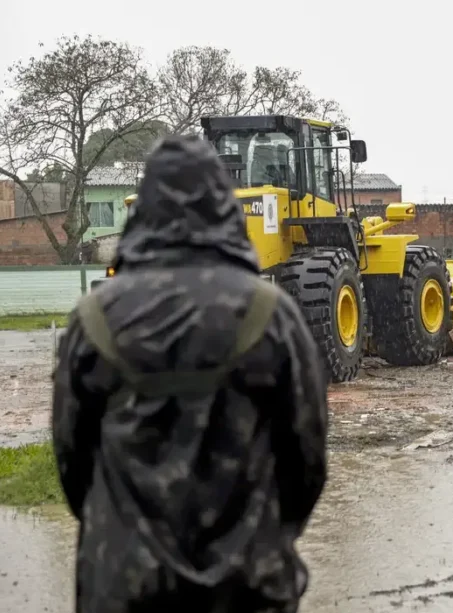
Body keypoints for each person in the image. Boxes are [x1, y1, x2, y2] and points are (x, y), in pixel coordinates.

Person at [52, 135, 328, 613]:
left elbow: (72, 460)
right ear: (225, 206)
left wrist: (121, 535)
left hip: (123, 588)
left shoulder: (93, 319)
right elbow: (306, 456)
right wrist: (263, 535)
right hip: (248, 588)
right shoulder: (271, 314)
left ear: (144, 211)